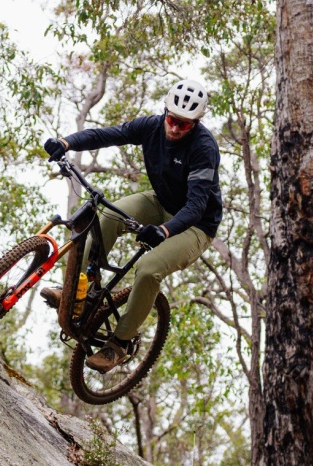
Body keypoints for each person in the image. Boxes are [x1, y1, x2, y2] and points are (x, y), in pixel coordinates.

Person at [41, 78, 222, 373]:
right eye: (172, 119)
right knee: (108, 218)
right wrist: (66, 142)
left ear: (196, 123)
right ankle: (76, 293)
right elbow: (105, 135)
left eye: (184, 124)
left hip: (196, 225)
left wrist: (163, 231)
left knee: (149, 269)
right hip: (160, 201)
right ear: (165, 112)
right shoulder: (151, 126)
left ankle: (119, 344)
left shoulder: (204, 148)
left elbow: (196, 206)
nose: (175, 128)